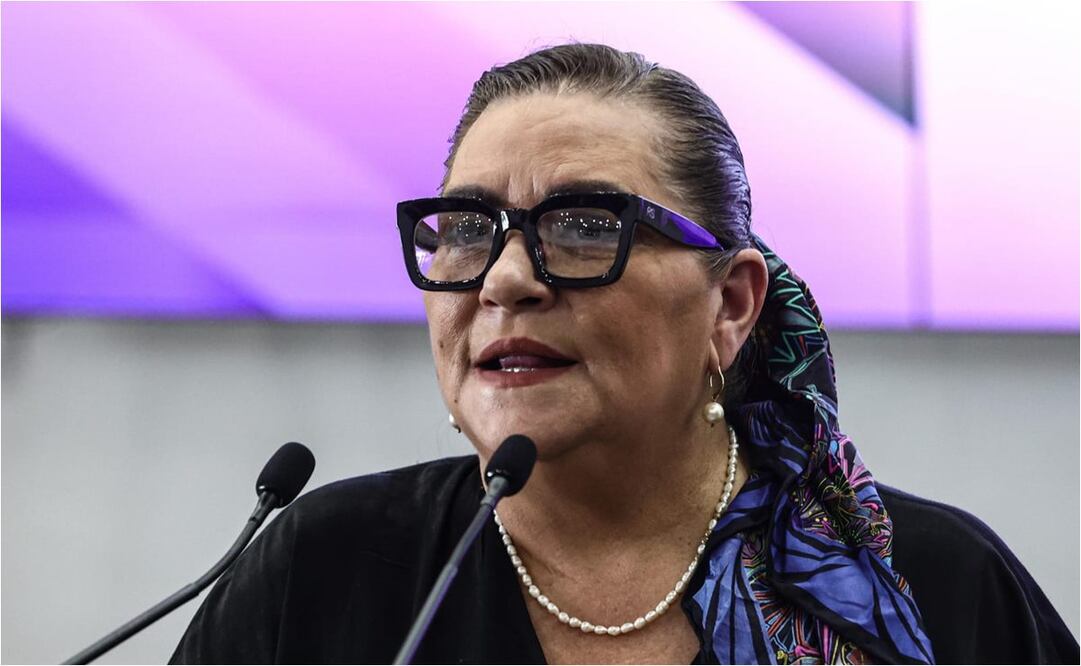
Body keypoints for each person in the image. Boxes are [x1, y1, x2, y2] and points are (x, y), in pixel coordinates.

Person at [172, 44, 1078, 664]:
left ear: (728, 306)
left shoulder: (936, 586)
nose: (505, 280)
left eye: (580, 226)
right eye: (466, 229)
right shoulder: (326, 570)